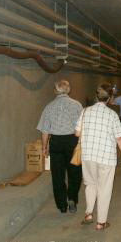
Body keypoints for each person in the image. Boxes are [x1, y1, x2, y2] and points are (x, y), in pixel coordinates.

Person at [76, 83, 121, 230]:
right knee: (104, 188)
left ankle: (88, 214)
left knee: (90, 184)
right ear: (110, 98)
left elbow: (77, 133)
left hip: (88, 156)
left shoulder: (85, 112)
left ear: (96, 96)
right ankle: (101, 222)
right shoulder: (112, 115)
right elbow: (119, 138)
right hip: (106, 157)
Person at [37, 80, 83, 213]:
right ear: (68, 90)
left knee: (57, 175)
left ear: (56, 90)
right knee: (75, 172)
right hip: (73, 142)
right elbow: (82, 127)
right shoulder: (77, 105)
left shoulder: (49, 107)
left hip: (56, 143)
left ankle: (62, 205)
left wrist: (44, 148)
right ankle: (72, 198)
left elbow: (45, 130)